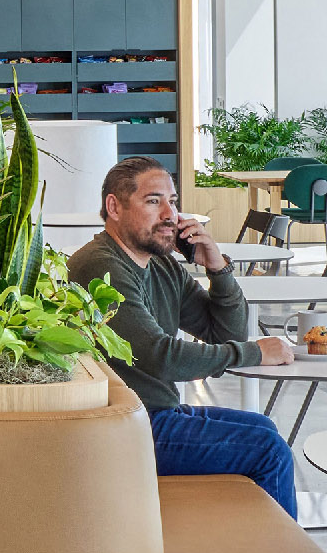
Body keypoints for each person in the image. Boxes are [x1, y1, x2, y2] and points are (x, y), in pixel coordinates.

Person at [68, 156, 297, 515]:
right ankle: (277, 552)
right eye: (153, 201)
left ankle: (248, 538)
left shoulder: (160, 263)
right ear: (114, 207)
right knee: (267, 449)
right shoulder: (101, 266)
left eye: (172, 202)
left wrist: (218, 268)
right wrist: (254, 352)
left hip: (156, 414)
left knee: (263, 427)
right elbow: (162, 356)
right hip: (125, 427)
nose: (170, 215)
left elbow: (225, 333)